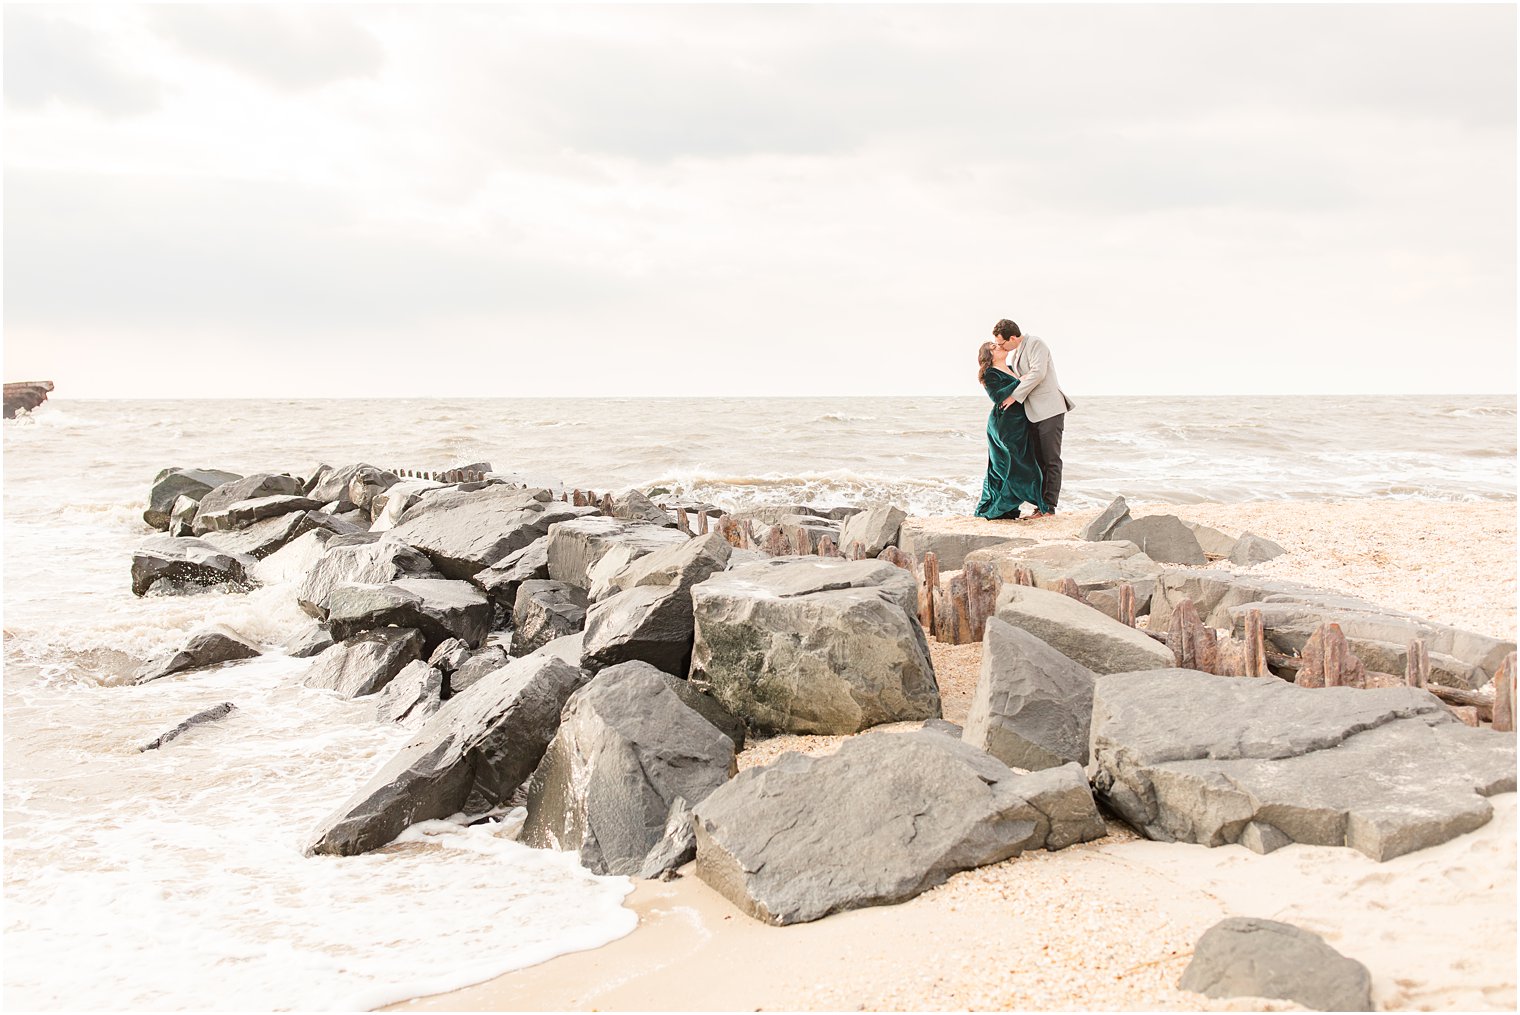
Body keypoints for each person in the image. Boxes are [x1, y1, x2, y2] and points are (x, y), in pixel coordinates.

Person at [991, 319, 1073, 516]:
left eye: (1002, 343)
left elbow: (1037, 373)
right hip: (1033, 413)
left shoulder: (1036, 343)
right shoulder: (1017, 351)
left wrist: (1014, 396)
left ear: (1012, 338)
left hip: (1049, 409)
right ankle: (1041, 506)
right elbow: (1020, 376)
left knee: (1051, 459)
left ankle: (1049, 508)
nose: (1002, 347)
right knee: (1038, 461)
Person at [974, 341, 1047, 520]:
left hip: (1020, 422)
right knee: (1011, 464)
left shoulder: (1011, 367)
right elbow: (997, 397)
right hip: (1004, 424)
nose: (999, 346)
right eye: (994, 347)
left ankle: (1008, 508)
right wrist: (1019, 382)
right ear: (989, 355)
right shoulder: (989, 373)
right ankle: (1034, 505)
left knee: (1016, 463)